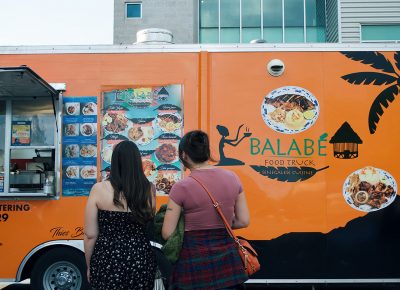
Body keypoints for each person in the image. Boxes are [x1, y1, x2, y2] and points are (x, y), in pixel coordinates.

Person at [162, 130, 250, 290]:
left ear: (184, 155)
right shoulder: (232, 177)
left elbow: (167, 232)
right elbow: (244, 220)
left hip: (193, 265)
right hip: (227, 265)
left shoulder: (181, 187)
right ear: (207, 152)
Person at [84, 140, 156, 290]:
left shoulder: (98, 189)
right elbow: (149, 222)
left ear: (114, 161)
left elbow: (90, 235)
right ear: (137, 161)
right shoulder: (149, 189)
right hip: (140, 258)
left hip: (106, 258)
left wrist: (90, 266)